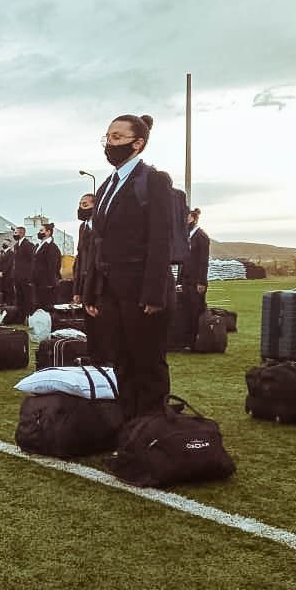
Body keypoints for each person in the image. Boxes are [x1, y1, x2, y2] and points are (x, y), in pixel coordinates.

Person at [84, 113, 174, 419]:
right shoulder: (107, 185)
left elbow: (161, 240)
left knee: (147, 362)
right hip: (111, 290)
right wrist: (91, 292)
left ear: (138, 143)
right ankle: (129, 429)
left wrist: (154, 294)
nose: (110, 143)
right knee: (121, 361)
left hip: (141, 291)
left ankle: (151, 432)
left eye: (117, 137)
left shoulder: (154, 181)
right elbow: (99, 241)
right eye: (108, 137)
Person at [72, 192, 111, 363]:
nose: (81, 208)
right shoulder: (83, 228)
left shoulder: (101, 226)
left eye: (85, 204)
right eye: (80, 204)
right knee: (89, 324)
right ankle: (94, 357)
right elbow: (80, 259)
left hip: (99, 282)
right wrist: (77, 289)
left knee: (102, 322)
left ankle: (105, 358)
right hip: (85, 280)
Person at [173, 208, 209, 349]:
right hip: (186, 280)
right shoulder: (186, 236)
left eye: (187, 217)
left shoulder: (201, 236)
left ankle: (196, 341)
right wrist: (179, 281)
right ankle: (185, 341)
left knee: (195, 311)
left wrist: (201, 282)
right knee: (185, 311)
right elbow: (183, 260)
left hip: (196, 281)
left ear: (193, 218)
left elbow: (203, 261)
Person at [32, 222, 62, 312]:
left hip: (46, 284)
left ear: (48, 232)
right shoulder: (40, 245)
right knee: (38, 306)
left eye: (41, 230)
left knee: (46, 306)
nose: (39, 232)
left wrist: (50, 283)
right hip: (38, 282)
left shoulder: (51, 247)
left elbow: (52, 266)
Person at [10, 225, 35, 322]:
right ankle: (20, 317)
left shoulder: (28, 245)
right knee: (19, 298)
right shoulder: (16, 245)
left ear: (22, 233)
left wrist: (30, 276)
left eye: (16, 233)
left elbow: (32, 261)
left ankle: (29, 317)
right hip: (18, 277)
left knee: (27, 298)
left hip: (26, 277)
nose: (14, 234)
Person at [0, 241, 14, 305]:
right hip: (1, 274)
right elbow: (0, 264)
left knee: (8, 288)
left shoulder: (11, 253)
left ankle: (9, 302)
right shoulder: (2, 253)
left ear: (9, 244)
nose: (3, 244)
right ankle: (3, 302)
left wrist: (2, 272)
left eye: (5, 243)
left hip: (8, 274)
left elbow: (8, 264)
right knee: (2, 288)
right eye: (3, 242)